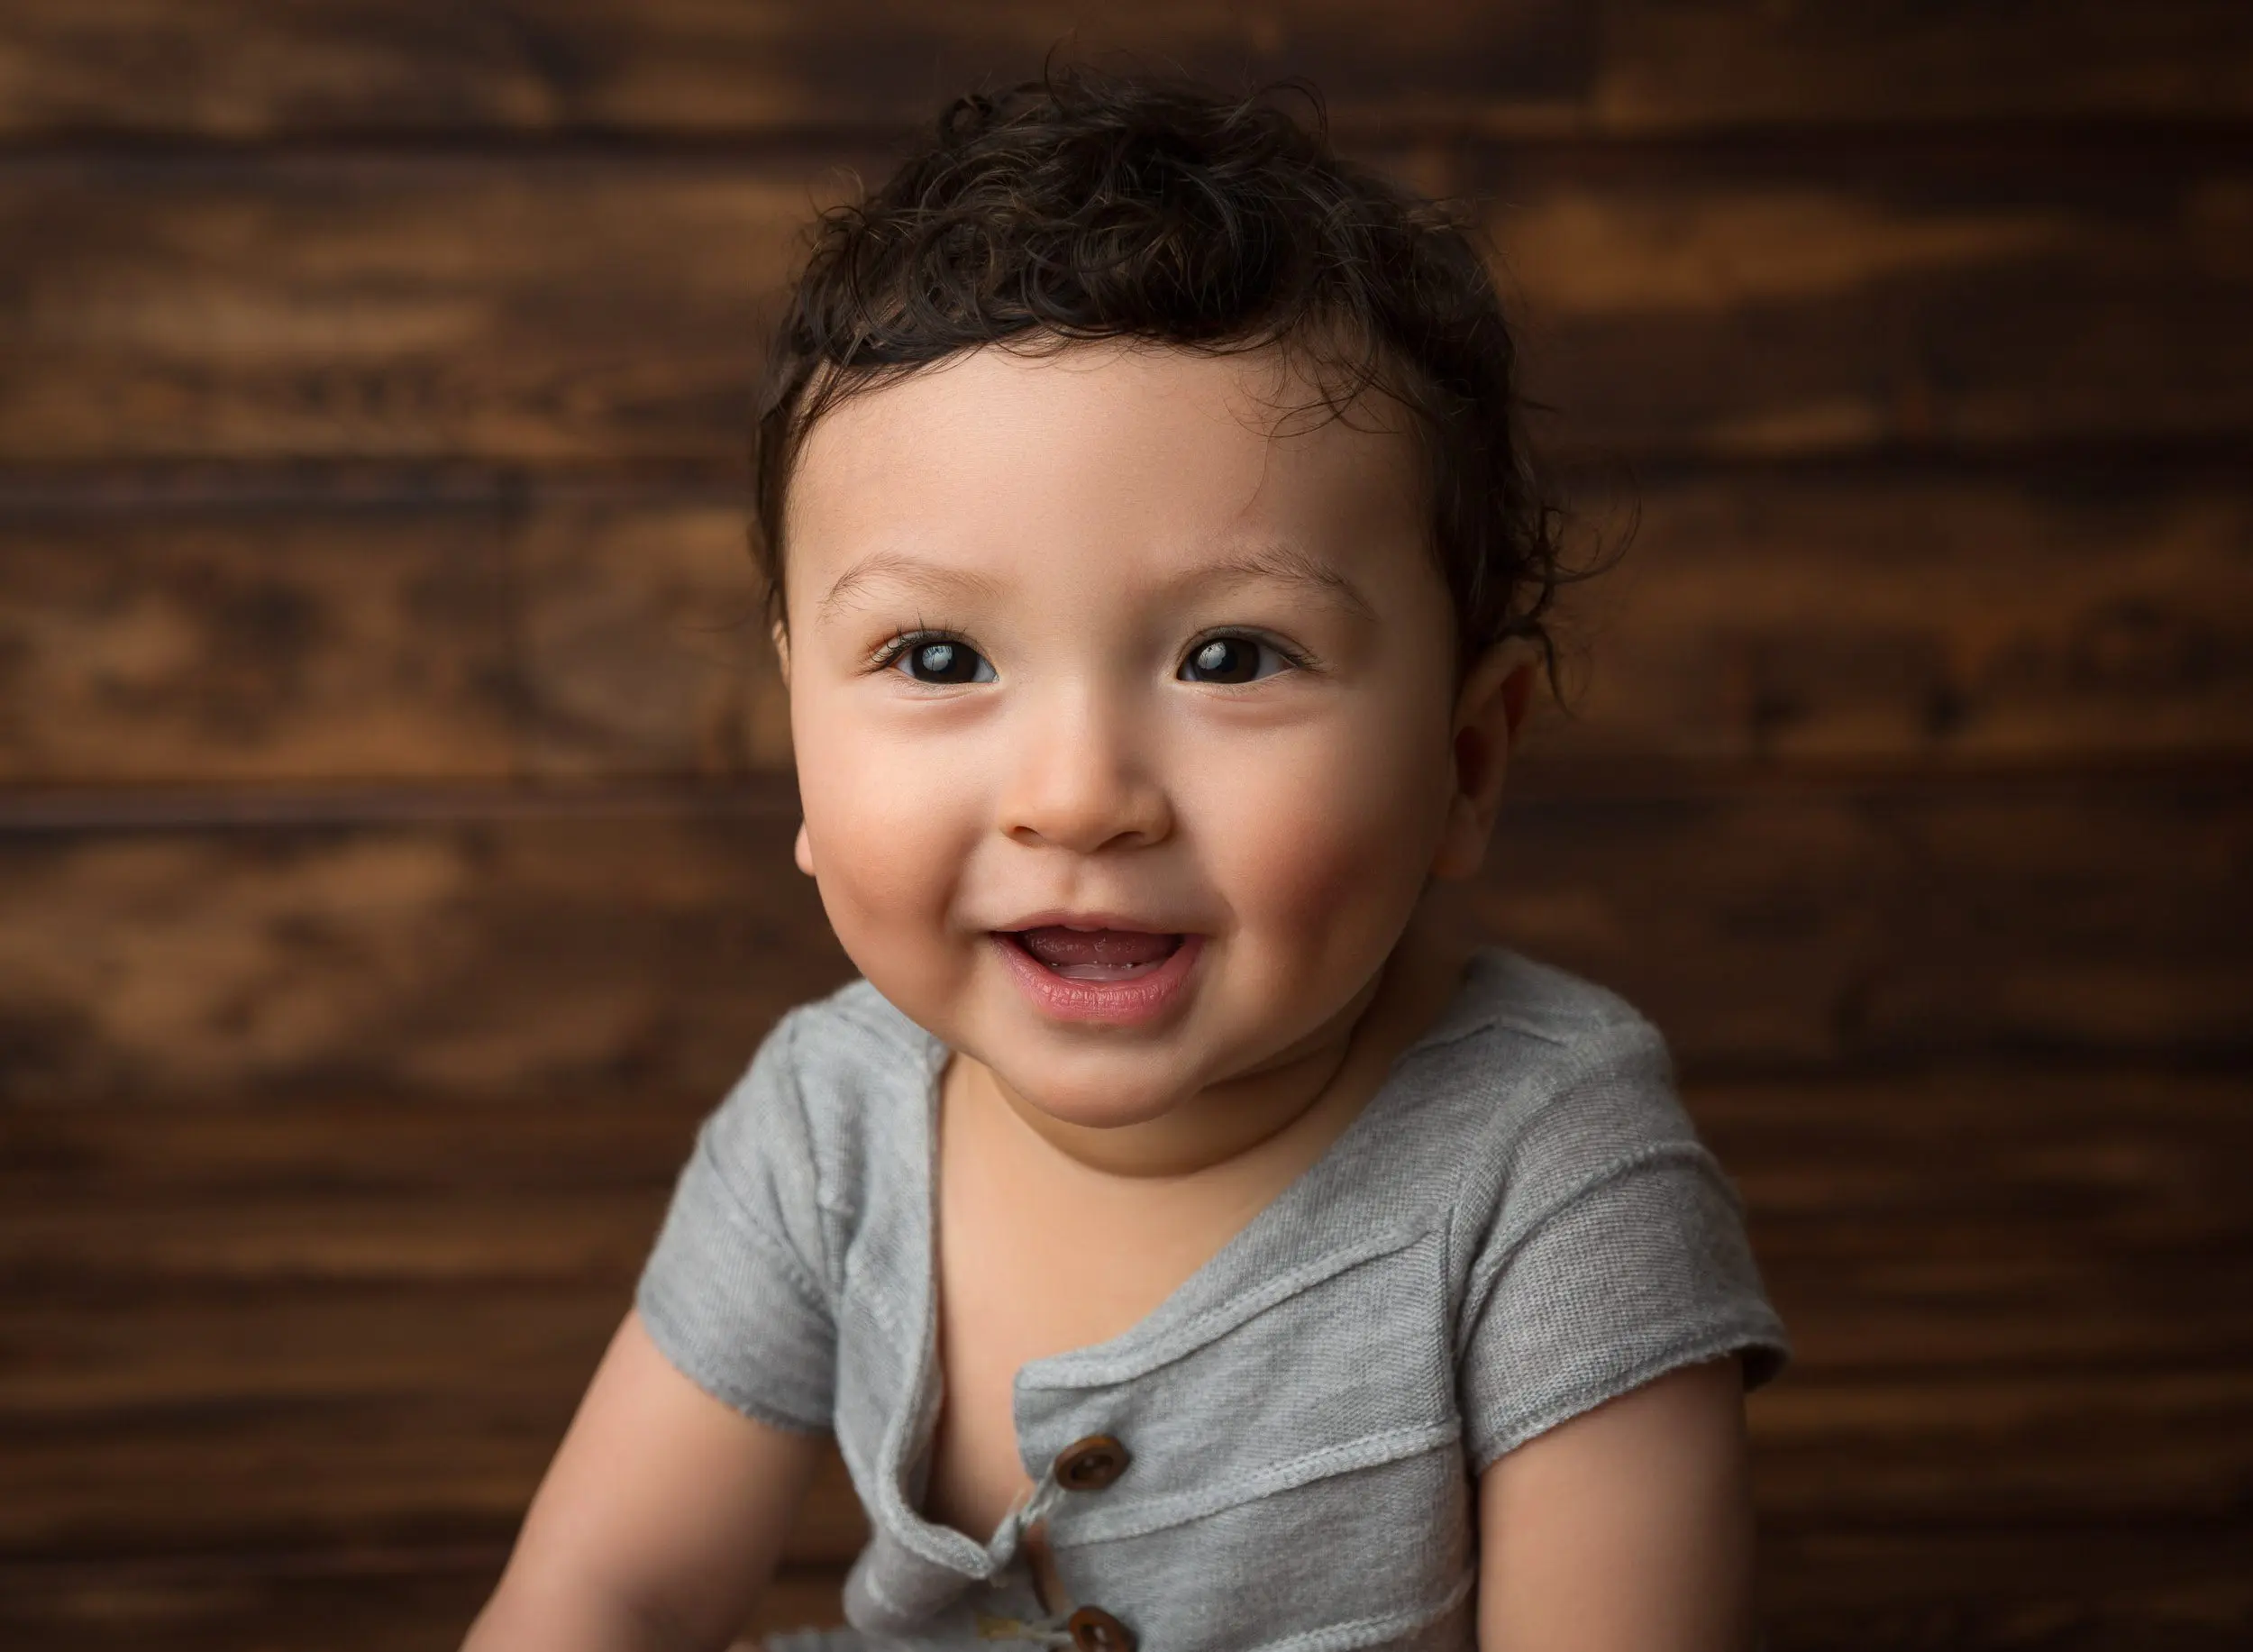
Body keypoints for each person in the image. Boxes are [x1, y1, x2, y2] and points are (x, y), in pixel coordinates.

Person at [463, 64, 1787, 1652]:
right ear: (800, 740)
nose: (1080, 799)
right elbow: (609, 1590)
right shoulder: (831, 1130)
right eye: (941, 660)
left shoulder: (1551, 1179)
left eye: (1232, 658)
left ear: (1464, 760)